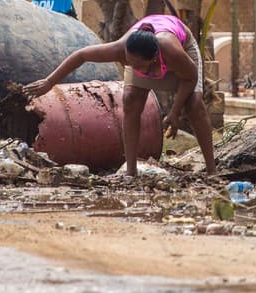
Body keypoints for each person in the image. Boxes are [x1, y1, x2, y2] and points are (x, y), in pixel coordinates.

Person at [24, 14, 217, 177]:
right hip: (144, 54)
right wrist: (49, 82)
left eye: (139, 65)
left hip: (182, 54)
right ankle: (130, 171)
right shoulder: (122, 50)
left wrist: (174, 113)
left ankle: (211, 170)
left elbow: (190, 79)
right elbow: (81, 55)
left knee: (194, 105)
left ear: (154, 57)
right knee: (131, 99)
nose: (133, 67)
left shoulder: (172, 52)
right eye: (128, 62)